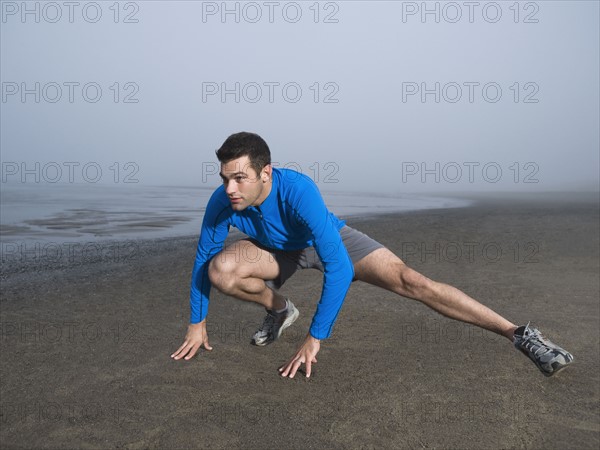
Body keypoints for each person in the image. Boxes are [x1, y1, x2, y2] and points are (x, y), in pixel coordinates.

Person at [171, 132, 573, 379]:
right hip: (275, 252)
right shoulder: (222, 203)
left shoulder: (298, 190)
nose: (230, 189)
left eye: (239, 177)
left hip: (330, 241)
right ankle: (279, 310)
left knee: (414, 282)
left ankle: (519, 335)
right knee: (221, 269)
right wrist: (197, 324)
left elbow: (340, 268)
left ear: (266, 173)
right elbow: (201, 261)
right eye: (225, 178)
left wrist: (315, 337)